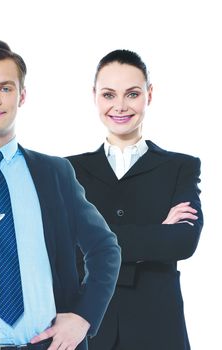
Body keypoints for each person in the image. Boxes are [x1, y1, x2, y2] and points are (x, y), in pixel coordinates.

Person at [0, 39, 120, 350]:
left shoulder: (55, 173)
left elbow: (105, 248)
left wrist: (84, 317)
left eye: (5, 88)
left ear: (22, 95)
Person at [66, 50, 202, 350]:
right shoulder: (68, 170)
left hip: (157, 329)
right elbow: (61, 248)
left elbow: (182, 242)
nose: (120, 106)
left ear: (149, 95)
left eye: (132, 94)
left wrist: (95, 243)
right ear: (95, 97)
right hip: (86, 330)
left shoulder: (180, 166)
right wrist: (157, 233)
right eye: (108, 94)